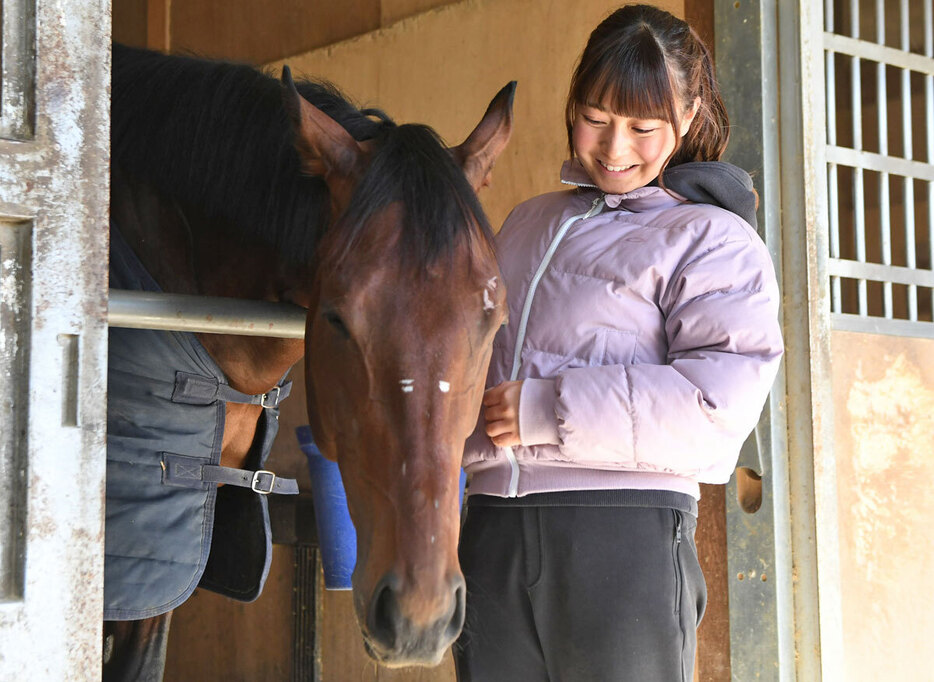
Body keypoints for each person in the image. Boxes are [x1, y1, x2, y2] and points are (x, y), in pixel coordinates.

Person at [453, 4, 783, 681]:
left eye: (643, 127)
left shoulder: (712, 239)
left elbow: (716, 410)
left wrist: (546, 410)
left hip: (620, 536)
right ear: (572, 106)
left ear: (688, 120)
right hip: (490, 529)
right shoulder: (525, 221)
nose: (614, 148)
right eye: (596, 119)